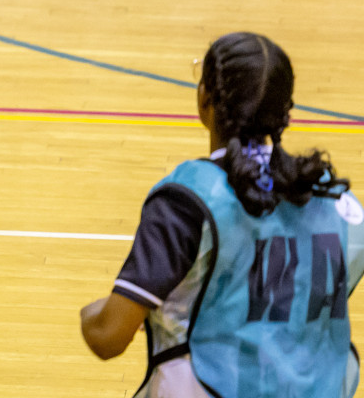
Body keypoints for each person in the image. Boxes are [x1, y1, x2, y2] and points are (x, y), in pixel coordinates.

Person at [80, 32, 364, 397]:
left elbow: (108, 336)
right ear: (285, 113)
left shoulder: (188, 198)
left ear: (204, 99)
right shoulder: (335, 198)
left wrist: (91, 315)